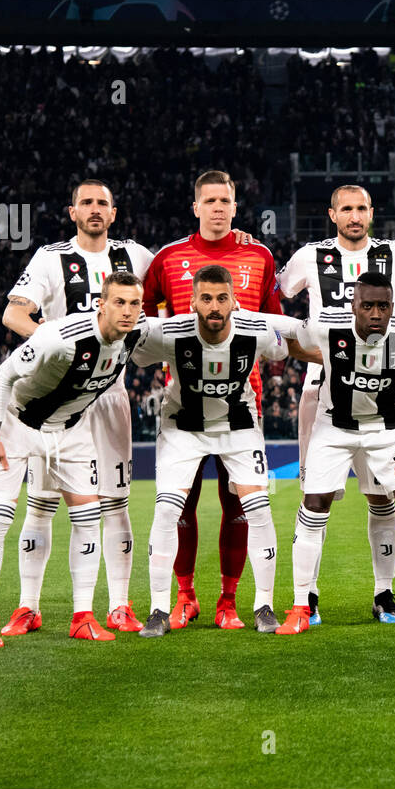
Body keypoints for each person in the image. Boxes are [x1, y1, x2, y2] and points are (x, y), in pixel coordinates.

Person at [277, 272, 395, 636]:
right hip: (334, 426)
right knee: (314, 503)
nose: (377, 313)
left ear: (393, 306)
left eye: (384, 305)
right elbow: (286, 329)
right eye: (368, 306)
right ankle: (301, 605)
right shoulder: (328, 325)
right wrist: (237, 316)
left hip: (391, 427)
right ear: (354, 307)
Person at [274, 184, 395, 624]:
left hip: (383, 390)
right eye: (346, 209)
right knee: (315, 497)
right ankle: (308, 596)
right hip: (322, 392)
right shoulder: (309, 255)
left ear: (371, 212)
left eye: (361, 208)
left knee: (383, 499)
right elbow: (279, 295)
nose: (355, 216)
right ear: (332, 214)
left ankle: (384, 594)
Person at [130, 266, 319, 636]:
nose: (214, 307)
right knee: (167, 508)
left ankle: (263, 605)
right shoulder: (168, 333)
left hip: (239, 426)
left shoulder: (256, 330)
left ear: (234, 300)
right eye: (206, 298)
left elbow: (297, 333)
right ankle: (156, 609)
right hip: (182, 427)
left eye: (221, 298)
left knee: (258, 509)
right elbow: (133, 346)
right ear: (192, 302)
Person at [1, 179, 154, 637]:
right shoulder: (51, 258)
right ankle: (29, 606)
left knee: (116, 502)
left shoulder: (138, 257)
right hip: (60, 395)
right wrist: (59, 348)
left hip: (110, 397)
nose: (94, 209)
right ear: (72, 212)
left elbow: (184, 276)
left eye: (102, 203)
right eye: (85, 202)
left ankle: (120, 606)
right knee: (42, 503)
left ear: (114, 212)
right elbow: (13, 314)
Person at [0, 273, 146, 648]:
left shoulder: (137, 334)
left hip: (70, 428)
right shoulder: (60, 337)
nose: (127, 312)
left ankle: (82, 617)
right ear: (101, 303)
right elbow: (3, 376)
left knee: (87, 516)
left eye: (134, 304)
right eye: (119, 302)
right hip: (17, 423)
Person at [141, 170, 282, 631]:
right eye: (210, 200)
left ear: (236, 207)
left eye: (226, 200)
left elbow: (274, 325)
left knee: (239, 503)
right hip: (184, 405)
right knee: (178, 504)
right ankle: (183, 598)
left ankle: (229, 600)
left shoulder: (258, 254)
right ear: (195, 206)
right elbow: (142, 320)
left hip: (243, 401)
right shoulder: (168, 258)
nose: (218, 208)